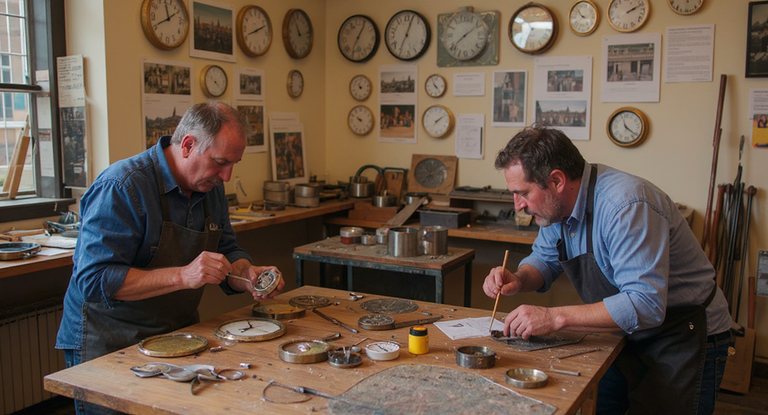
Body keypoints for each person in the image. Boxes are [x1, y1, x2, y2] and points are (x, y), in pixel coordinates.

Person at [483, 126, 733, 415]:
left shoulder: (626, 205)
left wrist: (553, 317)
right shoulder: (557, 208)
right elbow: (545, 259)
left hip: (682, 334)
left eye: (523, 193)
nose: (518, 206)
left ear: (557, 180)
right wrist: (519, 278)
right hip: (623, 333)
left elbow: (646, 304)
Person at [56, 102, 285, 415]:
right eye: (220, 162)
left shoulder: (211, 186)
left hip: (177, 336)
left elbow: (227, 250)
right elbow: (94, 281)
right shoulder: (122, 186)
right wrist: (183, 276)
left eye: (234, 164)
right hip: (110, 339)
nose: (227, 176)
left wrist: (247, 274)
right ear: (188, 145)